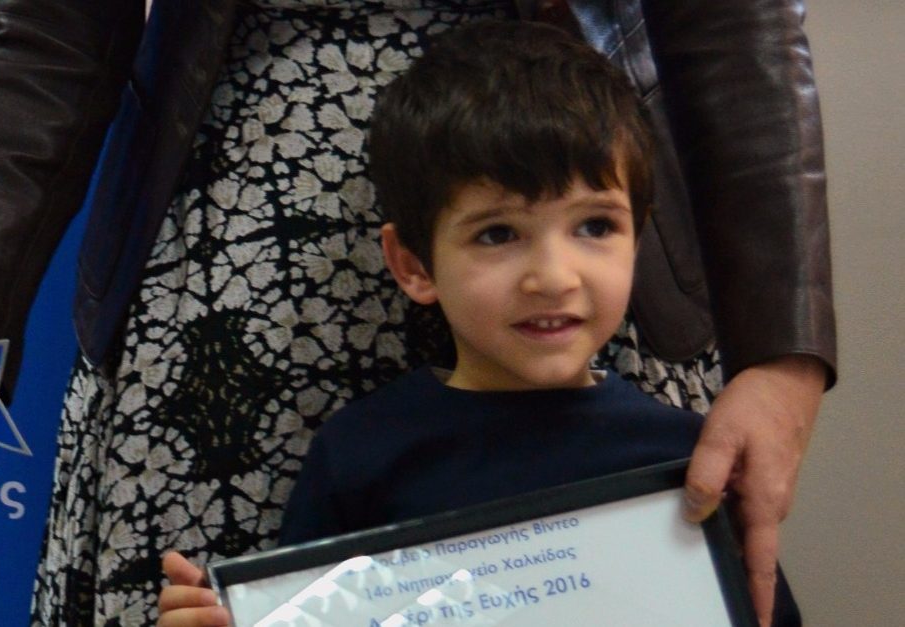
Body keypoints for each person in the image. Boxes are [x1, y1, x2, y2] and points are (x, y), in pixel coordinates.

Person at [0, 1, 832, 624]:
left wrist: (784, 353)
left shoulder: (580, 292)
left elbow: (730, 22)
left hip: (561, 145)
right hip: (238, 295)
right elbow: (55, 29)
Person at [158, 20, 799, 627]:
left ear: (639, 239)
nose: (554, 276)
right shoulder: (360, 456)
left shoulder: (688, 459)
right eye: (498, 234)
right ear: (414, 266)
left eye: (595, 225)